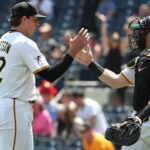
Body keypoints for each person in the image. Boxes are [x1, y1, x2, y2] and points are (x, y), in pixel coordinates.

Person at [0, 1, 89, 150]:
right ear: (23, 19)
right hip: (14, 107)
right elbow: (50, 75)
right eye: (35, 20)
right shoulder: (24, 43)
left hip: (9, 105)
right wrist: (72, 52)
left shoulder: (3, 39)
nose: (37, 24)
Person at [75, 16, 150, 150]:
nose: (136, 36)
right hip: (139, 122)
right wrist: (90, 63)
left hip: (140, 119)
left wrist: (139, 117)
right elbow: (115, 81)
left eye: (141, 31)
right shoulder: (142, 60)